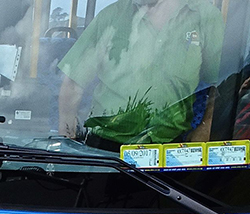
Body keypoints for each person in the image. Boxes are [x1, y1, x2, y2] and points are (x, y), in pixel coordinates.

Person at [57, 0, 224, 146]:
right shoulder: (111, 15)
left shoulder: (205, 17)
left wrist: (206, 126)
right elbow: (73, 83)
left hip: (172, 149)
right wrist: (68, 137)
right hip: (107, 149)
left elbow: (221, 82)